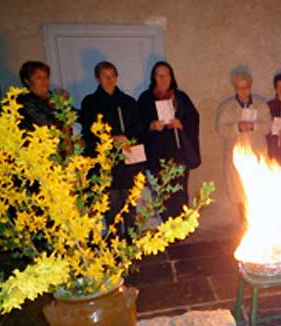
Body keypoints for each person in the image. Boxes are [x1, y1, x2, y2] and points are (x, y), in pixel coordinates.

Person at [80, 61, 147, 237]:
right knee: (112, 211)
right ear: (98, 78)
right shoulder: (90, 103)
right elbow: (89, 132)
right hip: (106, 164)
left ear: (117, 77)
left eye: (112, 75)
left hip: (128, 162)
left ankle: (131, 244)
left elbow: (139, 129)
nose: (109, 80)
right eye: (104, 76)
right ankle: (115, 244)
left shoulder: (128, 102)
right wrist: (110, 140)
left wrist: (127, 138)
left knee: (130, 209)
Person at [138, 61, 200, 220]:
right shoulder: (146, 98)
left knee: (180, 193)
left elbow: (193, 118)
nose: (163, 78)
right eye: (159, 75)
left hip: (178, 155)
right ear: (154, 77)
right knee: (162, 195)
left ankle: (181, 229)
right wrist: (152, 125)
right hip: (156, 156)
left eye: (166, 75)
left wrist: (181, 124)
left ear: (171, 77)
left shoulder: (180, 97)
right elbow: (137, 124)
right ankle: (167, 228)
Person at [215, 71, 271, 220]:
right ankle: (245, 222)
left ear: (250, 87)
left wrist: (253, 126)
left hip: (257, 153)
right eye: (239, 88)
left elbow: (268, 126)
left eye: (246, 87)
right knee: (239, 191)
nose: (243, 91)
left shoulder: (260, 105)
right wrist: (237, 127)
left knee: (258, 190)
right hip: (237, 156)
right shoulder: (227, 107)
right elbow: (221, 129)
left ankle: (260, 221)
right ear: (235, 88)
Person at [17, 61, 72, 154]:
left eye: (46, 77)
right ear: (27, 81)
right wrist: (61, 110)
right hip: (38, 151)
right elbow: (46, 123)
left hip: (61, 147)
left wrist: (66, 103)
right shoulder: (24, 100)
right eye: (39, 78)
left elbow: (74, 115)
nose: (44, 81)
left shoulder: (53, 96)